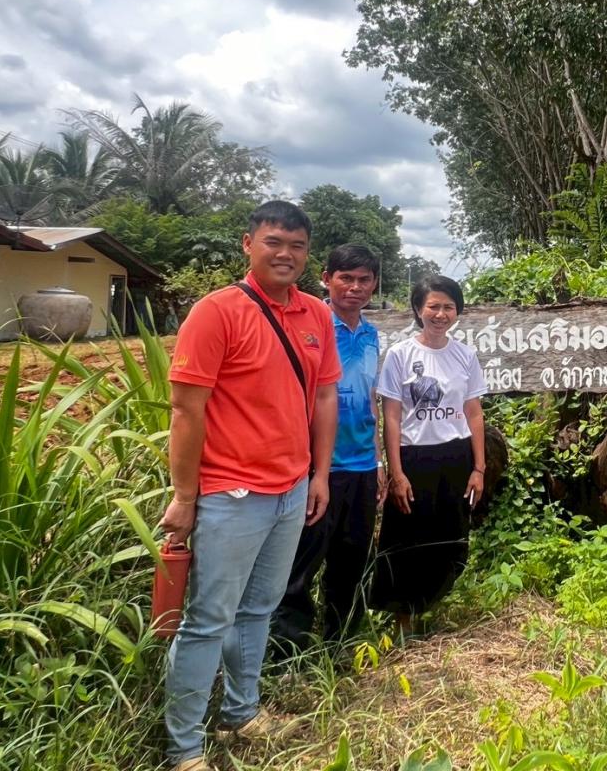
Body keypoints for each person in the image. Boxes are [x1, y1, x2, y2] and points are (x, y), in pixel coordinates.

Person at [160, 201, 340, 771]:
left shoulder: (315, 314)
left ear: (307, 254)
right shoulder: (217, 313)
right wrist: (185, 499)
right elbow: (186, 410)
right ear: (248, 244)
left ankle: (242, 713)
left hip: (291, 491)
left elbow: (324, 396)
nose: (285, 254)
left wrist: (318, 474)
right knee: (209, 620)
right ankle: (184, 746)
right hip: (230, 495)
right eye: (274, 242)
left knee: (259, 610)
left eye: (297, 246)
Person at [272, 244, 385, 654]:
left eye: (364, 280)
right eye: (346, 278)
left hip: (361, 466)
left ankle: (341, 644)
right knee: (300, 566)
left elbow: (371, 399)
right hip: (314, 467)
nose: (355, 288)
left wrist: (378, 459)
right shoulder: (308, 326)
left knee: (351, 561)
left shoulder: (372, 335)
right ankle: (289, 655)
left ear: (374, 284)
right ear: (326, 278)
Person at [371, 274, 487, 633]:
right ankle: (402, 619)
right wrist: (397, 471)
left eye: (448, 307)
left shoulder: (465, 355)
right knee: (407, 538)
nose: (440, 314)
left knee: (450, 534)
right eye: (433, 306)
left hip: (455, 456)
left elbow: (473, 412)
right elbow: (392, 416)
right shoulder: (400, 355)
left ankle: (429, 608)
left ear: (458, 312)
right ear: (419, 310)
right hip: (414, 457)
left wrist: (479, 467)